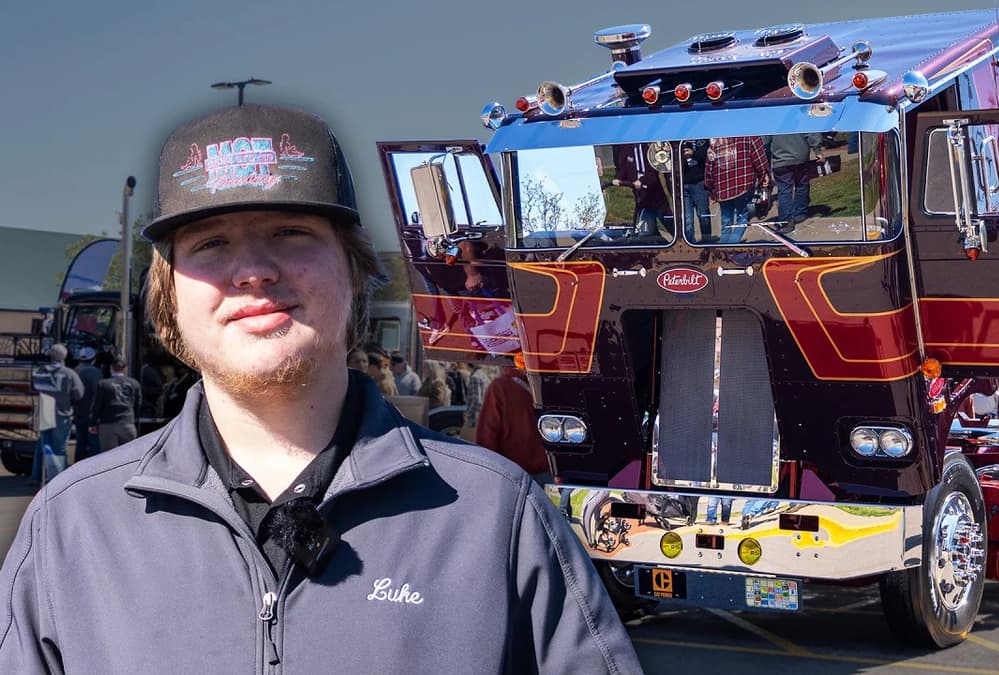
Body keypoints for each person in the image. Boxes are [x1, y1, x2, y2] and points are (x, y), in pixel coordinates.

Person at [0, 103, 641, 673]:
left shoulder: (497, 519)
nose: (252, 270)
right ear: (169, 297)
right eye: (210, 242)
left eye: (290, 232)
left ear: (355, 270)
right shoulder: (71, 528)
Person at [475, 361, 550, 484]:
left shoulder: (499, 387)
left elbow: (487, 436)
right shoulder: (547, 385)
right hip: (547, 473)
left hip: (512, 476)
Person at [29, 343, 83, 483]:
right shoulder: (69, 374)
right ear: (64, 356)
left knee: (43, 444)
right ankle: (58, 480)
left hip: (45, 411)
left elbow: (33, 386)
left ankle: (36, 477)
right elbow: (79, 394)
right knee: (59, 447)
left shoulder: (41, 371)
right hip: (62, 413)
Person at [704, 136, 770, 244]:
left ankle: (724, 248)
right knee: (743, 217)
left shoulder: (715, 141)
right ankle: (731, 245)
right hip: (743, 184)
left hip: (722, 188)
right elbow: (759, 159)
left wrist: (711, 190)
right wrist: (763, 175)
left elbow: (709, 168)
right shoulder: (750, 136)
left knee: (726, 222)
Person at [762, 133, 823, 230]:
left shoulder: (772, 121)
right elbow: (811, 133)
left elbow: (764, 141)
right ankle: (800, 212)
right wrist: (817, 151)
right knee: (802, 185)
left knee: (785, 190)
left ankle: (786, 221)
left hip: (780, 160)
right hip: (801, 156)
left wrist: (766, 166)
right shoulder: (800, 119)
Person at [611, 143, 671, 236]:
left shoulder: (647, 149)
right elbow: (622, 169)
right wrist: (618, 178)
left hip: (655, 193)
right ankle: (658, 245)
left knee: (668, 220)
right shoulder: (626, 150)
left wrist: (642, 180)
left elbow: (653, 172)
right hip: (641, 197)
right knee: (647, 230)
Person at [89, 357, 142, 452]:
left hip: (108, 424)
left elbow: (97, 406)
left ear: (111, 368)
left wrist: (93, 422)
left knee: (108, 456)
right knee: (129, 456)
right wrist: (134, 418)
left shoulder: (103, 384)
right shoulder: (134, 383)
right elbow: (138, 404)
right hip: (127, 423)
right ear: (125, 369)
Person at [72, 346, 104, 462]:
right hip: (91, 414)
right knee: (93, 443)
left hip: (78, 413)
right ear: (94, 359)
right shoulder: (96, 373)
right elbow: (99, 394)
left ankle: (77, 468)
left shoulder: (74, 371)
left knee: (80, 442)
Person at [680, 139, 712, 241]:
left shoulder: (703, 140)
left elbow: (708, 157)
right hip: (684, 184)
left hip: (699, 183)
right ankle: (690, 242)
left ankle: (706, 242)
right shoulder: (679, 141)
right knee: (687, 219)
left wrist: (693, 153)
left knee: (703, 215)